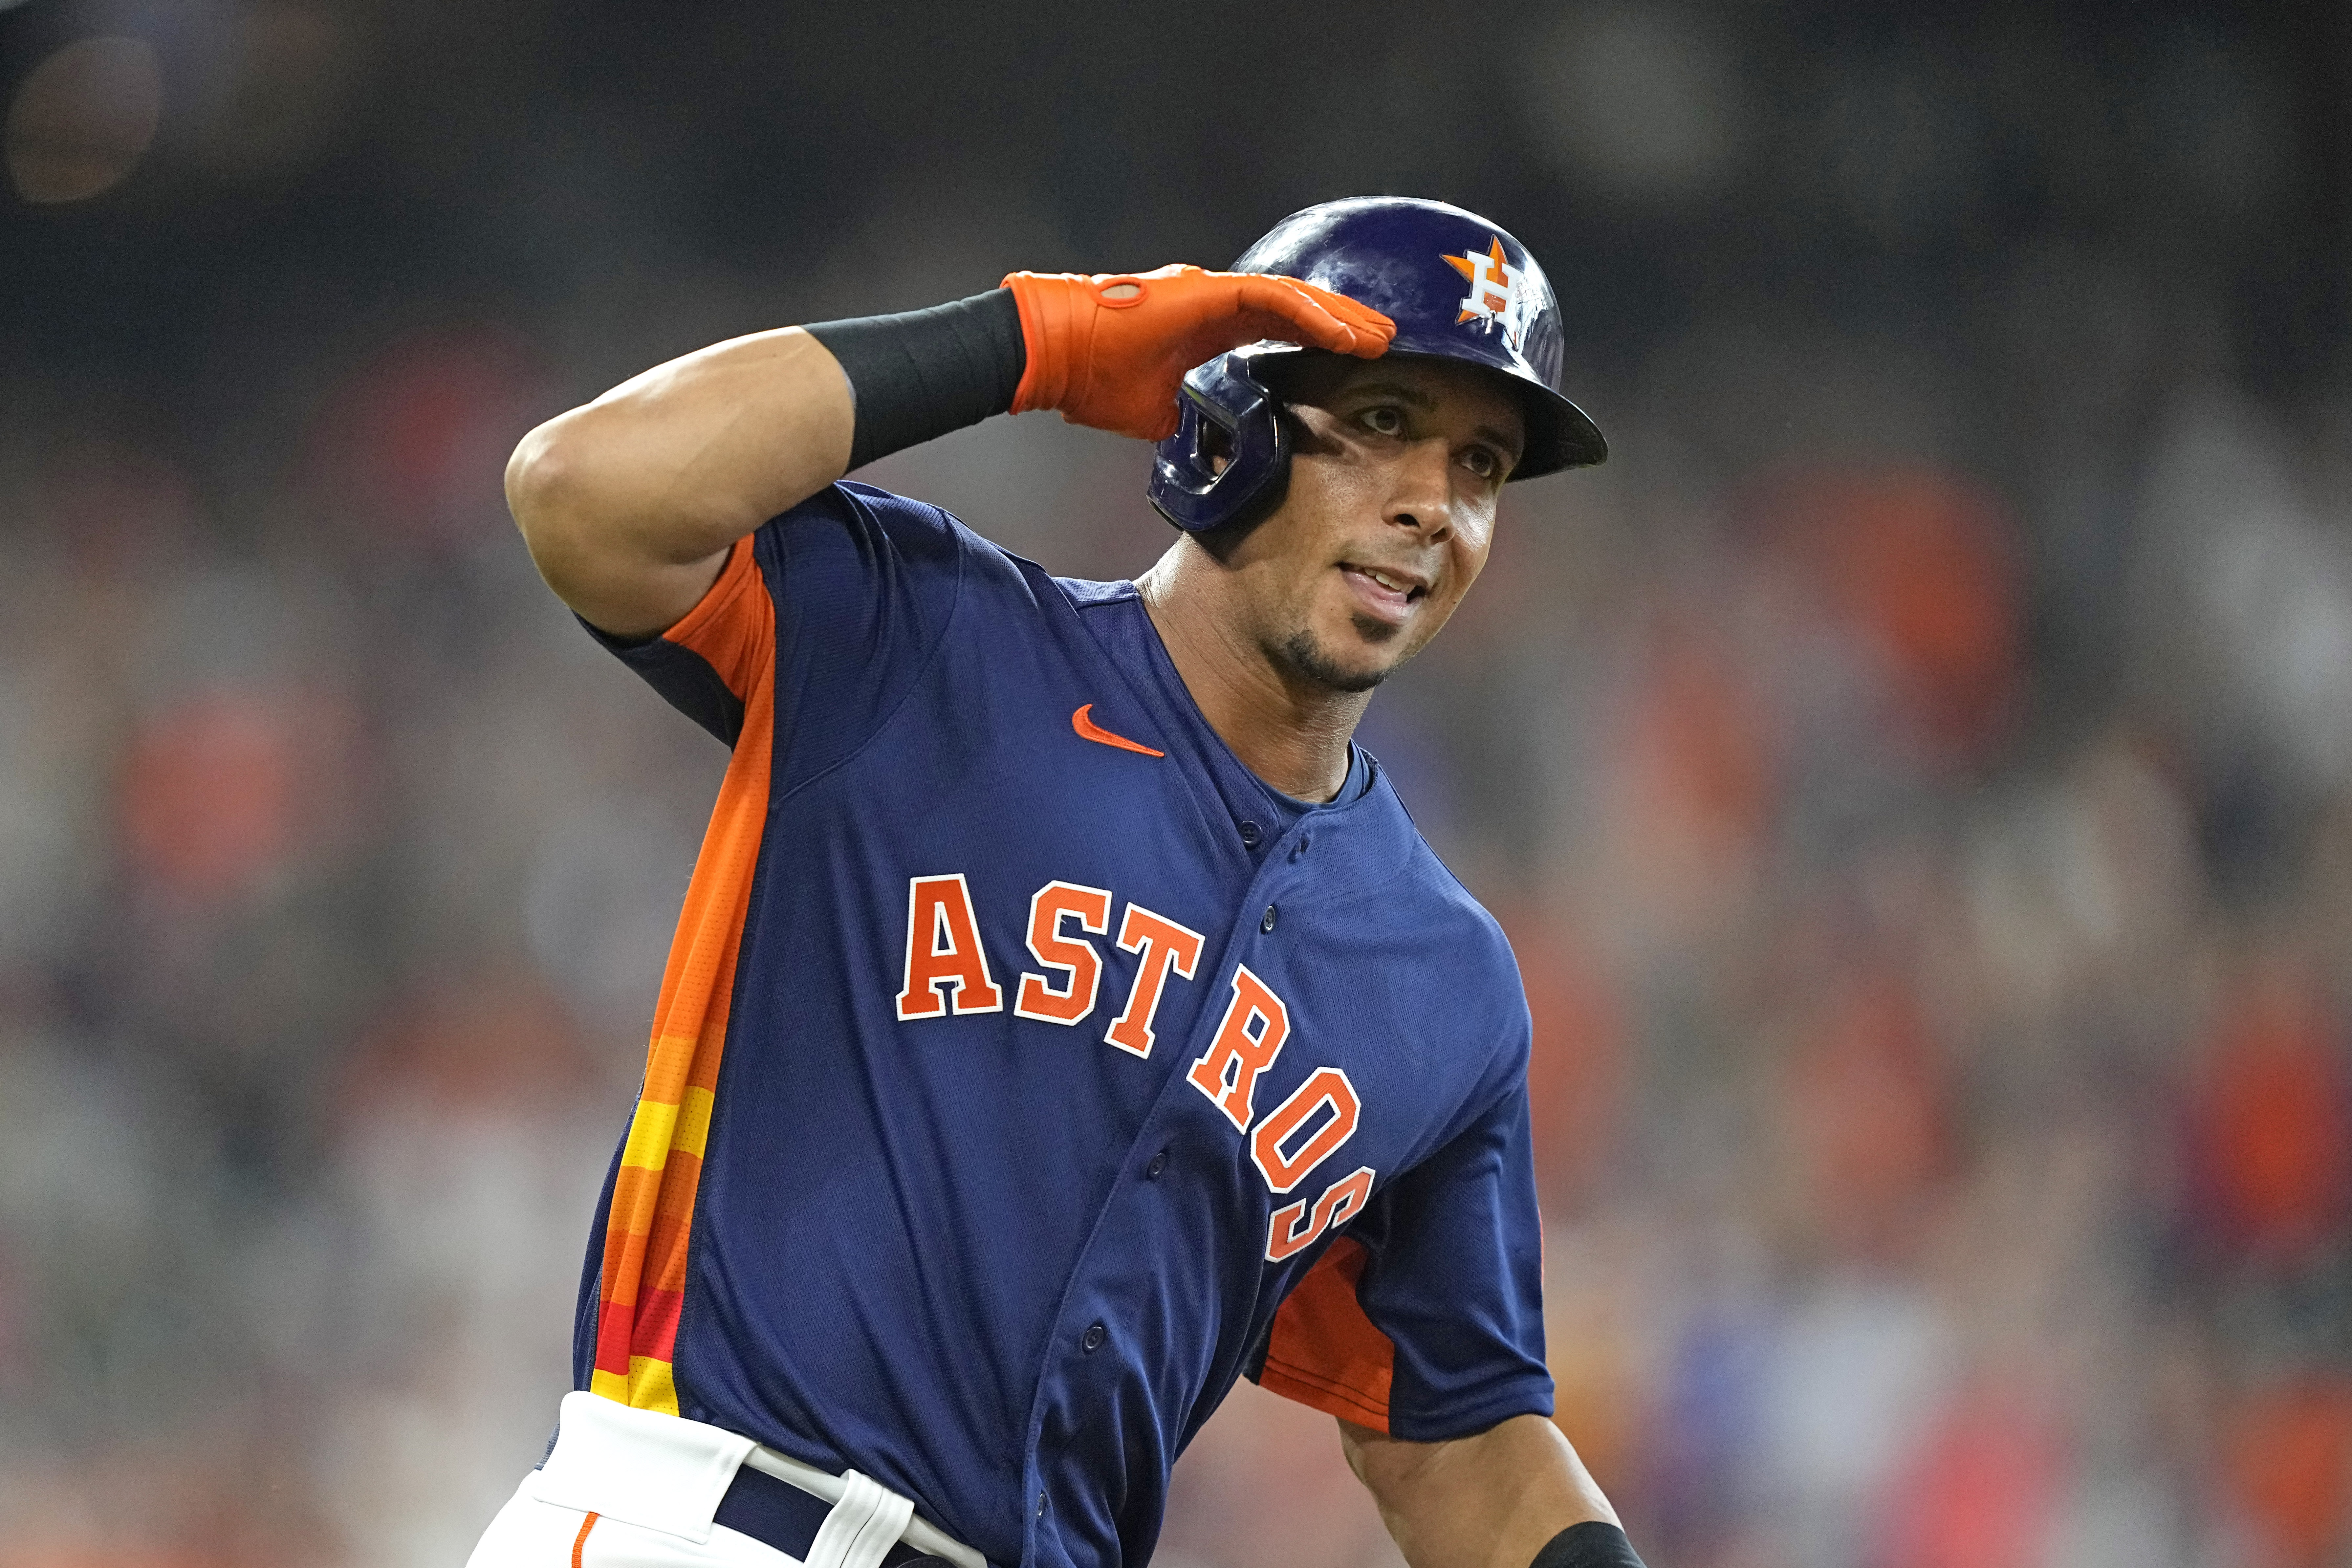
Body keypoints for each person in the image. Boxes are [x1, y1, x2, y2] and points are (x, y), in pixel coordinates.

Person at [473, 196, 1645, 1568]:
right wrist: (1038, 339)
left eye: (1484, 465)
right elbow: (583, 493)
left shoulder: (1442, 978)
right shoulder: (934, 639)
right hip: (713, 1521)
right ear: (1237, 431)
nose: (1431, 506)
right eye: (1382, 422)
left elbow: (1458, 1444)